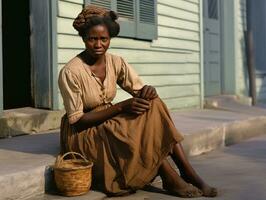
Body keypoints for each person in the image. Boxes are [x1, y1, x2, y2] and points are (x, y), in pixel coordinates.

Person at [58, 5, 217, 198]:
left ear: (110, 39)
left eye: (104, 39)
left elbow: (138, 89)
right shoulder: (71, 72)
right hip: (83, 132)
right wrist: (122, 106)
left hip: (108, 119)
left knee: (155, 104)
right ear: (83, 38)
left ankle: (187, 172)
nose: (98, 44)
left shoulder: (116, 62)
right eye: (92, 39)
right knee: (123, 129)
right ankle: (169, 175)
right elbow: (78, 120)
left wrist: (147, 91)